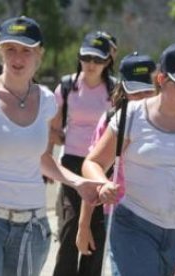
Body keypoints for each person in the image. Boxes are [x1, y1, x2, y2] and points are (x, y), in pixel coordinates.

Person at [0, 16, 109, 276]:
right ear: (1, 52)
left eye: (27, 50)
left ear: (39, 55)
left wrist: (77, 182)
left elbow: (43, 158)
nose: (18, 57)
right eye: (10, 49)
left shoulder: (47, 99)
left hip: (32, 226)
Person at [81, 41, 175, 276]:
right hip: (136, 225)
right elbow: (92, 162)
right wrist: (103, 184)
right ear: (161, 80)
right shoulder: (132, 115)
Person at [76, 51, 157, 263]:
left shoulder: (168, 122)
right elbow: (94, 170)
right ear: (123, 89)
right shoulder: (111, 122)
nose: (141, 99)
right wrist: (84, 225)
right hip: (120, 212)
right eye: (136, 93)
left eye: (148, 92)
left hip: (159, 214)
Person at [50, 30, 117, 276]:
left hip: (102, 166)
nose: (91, 64)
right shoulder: (67, 87)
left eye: (98, 59)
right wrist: (58, 141)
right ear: (79, 57)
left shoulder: (114, 90)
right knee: (69, 228)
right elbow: (53, 128)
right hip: (70, 163)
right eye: (87, 58)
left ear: (107, 61)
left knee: (96, 231)